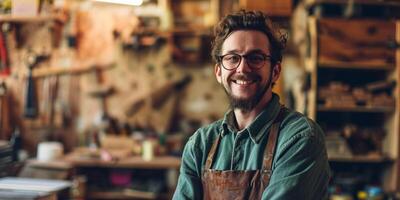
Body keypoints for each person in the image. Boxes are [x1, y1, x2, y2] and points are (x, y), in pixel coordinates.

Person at [173, 10, 330, 200]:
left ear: (275, 71)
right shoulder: (200, 145)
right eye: (232, 58)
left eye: (255, 58)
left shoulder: (300, 138)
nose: (242, 68)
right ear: (218, 72)